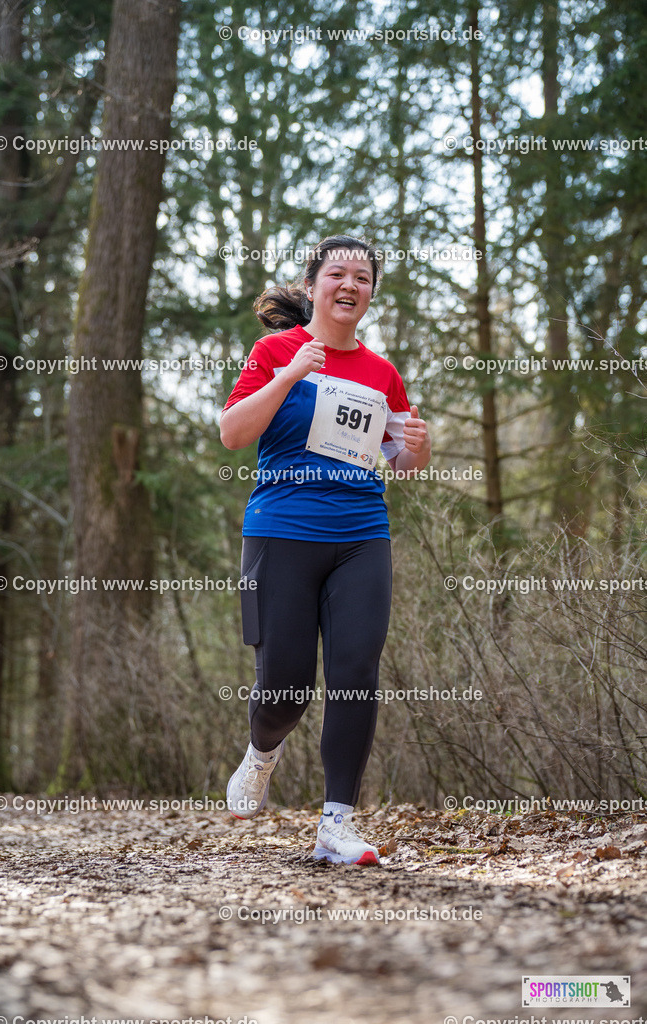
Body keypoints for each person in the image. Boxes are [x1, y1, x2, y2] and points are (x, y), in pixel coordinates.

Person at [220, 234, 431, 865]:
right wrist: (290, 375)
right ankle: (262, 753)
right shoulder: (274, 351)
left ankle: (337, 824)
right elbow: (232, 433)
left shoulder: (382, 373)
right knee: (285, 688)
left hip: (362, 536)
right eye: (337, 274)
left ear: (370, 295)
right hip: (281, 532)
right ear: (312, 287)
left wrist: (417, 449)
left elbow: (401, 461)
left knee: (355, 675)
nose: (350, 285)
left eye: (363, 278)